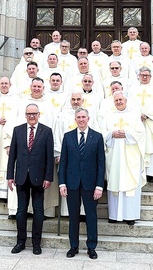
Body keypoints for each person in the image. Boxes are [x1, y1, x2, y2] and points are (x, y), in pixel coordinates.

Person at [7, 103, 54, 255]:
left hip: (39, 178)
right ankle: (20, 241)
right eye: (29, 114)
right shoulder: (18, 130)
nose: (31, 116)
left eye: (34, 114)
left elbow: (49, 157)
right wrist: (10, 176)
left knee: (38, 211)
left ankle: (36, 243)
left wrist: (48, 177)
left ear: (39, 114)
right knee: (21, 211)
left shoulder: (46, 131)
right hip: (21, 177)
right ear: (25, 115)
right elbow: (12, 155)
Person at [58, 107, 105, 259]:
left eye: (84, 117)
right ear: (75, 119)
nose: (81, 119)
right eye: (78, 117)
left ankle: (91, 247)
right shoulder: (68, 136)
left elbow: (101, 164)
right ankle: (74, 246)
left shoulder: (97, 137)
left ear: (88, 118)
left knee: (91, 216)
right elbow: (63, 162)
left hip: (91, 184)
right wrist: (62, 183)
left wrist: (99, 186)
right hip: (71, 183)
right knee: (73, 216)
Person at [101, 91, 145, 225]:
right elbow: (102, 132)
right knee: (115, 183)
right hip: (114, 156)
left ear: (126, 101)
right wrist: (111, 134)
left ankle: (130, 216)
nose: (119, 102)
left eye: (121, 100)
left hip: (130, 156)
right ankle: (114, 215)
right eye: (116, 100)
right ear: (113, 102)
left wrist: (126, 133)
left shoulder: (134, 115)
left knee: (129, 184)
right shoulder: (108, 116)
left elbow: (141, 133)